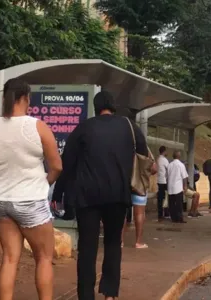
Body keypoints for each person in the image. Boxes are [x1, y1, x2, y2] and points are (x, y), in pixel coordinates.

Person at [61, 91, 149, 300]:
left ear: (95, 106)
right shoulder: (129, 127)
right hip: (118, 195)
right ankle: (110, 293)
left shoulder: (85, 127)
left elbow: (68, 161)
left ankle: (86, 296)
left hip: (87, 197)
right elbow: (144, 153)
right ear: (113, 105)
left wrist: (61, 192)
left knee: (87, 247)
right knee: (112, 243)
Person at [0, 78, 62, 300]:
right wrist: (44, 183)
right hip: (30, 200)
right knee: (44, 258)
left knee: (9, 258)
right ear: (25, 98)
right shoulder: (37, 126)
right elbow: (56, 166)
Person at [167, 150, 188, 223]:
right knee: (179, 204)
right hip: (178, 188)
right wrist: (185, 186)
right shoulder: (181, 165)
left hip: (170, 188)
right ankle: (179, 218)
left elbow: (167, 176)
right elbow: (184, 177)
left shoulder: (169, 165)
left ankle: (173, 218)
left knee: (171, 204)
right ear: (179, 156)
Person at [157, 146, 170, 220]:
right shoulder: (164, 160)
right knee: (166, 198)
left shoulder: (158, 159)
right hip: (164, 181)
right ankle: (166, 213)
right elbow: (169, 169)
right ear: (164, 151)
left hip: (159, 180)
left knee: (160, 198)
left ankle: (160, 214)